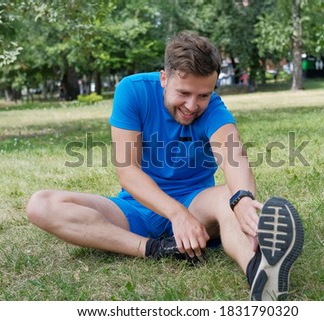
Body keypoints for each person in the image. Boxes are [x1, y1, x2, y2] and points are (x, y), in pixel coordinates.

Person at [26, 31, 304, 301]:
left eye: (204, 95)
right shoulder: (132, 91)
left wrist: (242, 199)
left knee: (227, 199)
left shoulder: (214, 109)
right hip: (136, 208)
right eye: (183, 92)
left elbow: (235, 156)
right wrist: (175, 214)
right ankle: (159, 249)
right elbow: (127, 172)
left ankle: (259, 273)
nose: (192, 105)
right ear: (163, 78)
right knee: (41, 205)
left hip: (196, 207)